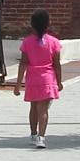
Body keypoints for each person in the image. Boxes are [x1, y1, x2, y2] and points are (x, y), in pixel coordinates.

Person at [13, 9, 63, 149]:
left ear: (32, 25)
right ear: (47, 24)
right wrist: (59, 82)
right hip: (47, 79)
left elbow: (23, 63)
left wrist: (18, 84)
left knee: (33, 108)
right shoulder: (54, 42)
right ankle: (41, 138)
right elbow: (57, 65)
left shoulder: (27, 42)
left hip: (32, 79)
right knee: (43, 110)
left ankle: (33, 135)